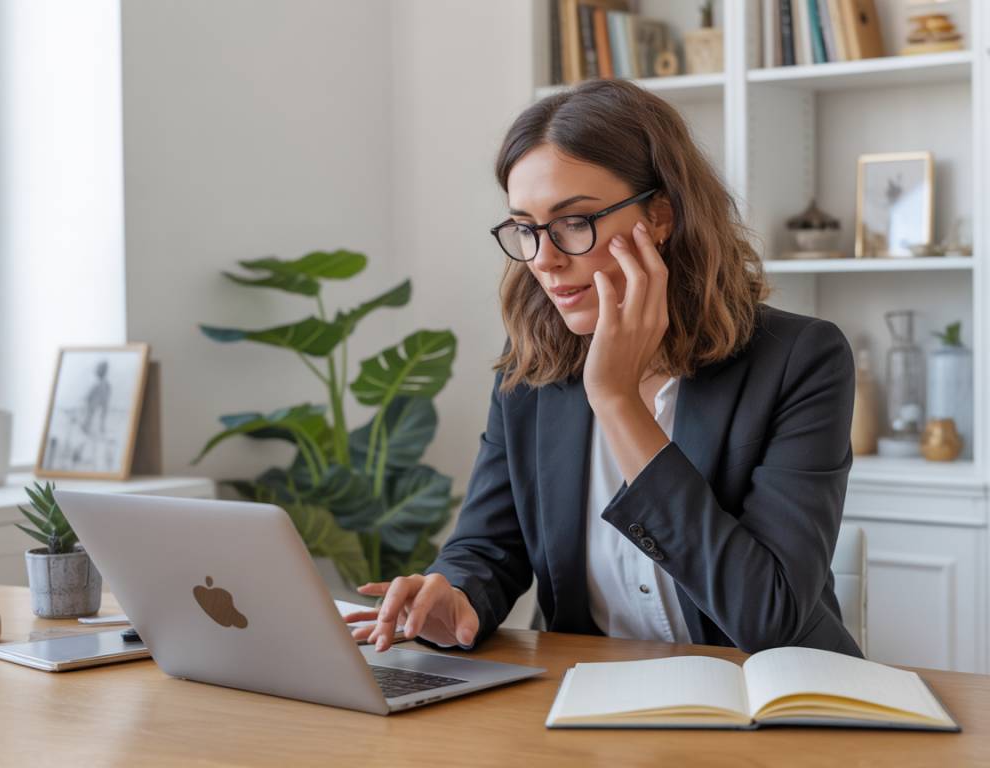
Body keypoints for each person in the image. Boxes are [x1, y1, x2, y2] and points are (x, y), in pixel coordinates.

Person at [345, 78, 861, 658]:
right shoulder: (533, 363)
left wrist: (617, 402)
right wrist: (457, 596)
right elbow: (487, 548)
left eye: (574, 222)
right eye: (525, 229)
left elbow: (770, 618)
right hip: (591, 691)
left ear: (660, 216)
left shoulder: (801, 360)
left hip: (767, 692)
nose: (544, 259)